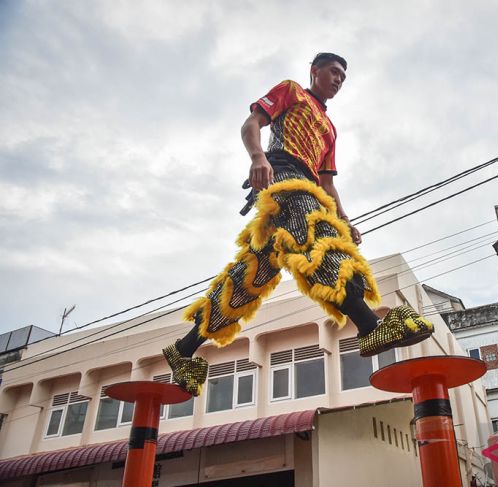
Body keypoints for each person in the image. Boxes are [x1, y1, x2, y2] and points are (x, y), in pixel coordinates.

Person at [163, 53, 434, 396]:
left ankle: (184, 349)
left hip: (307, 185)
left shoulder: (330, 130)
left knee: (250, 276)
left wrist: (344, 218)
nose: (338, 80)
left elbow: (327, 182)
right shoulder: (291, 91)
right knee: (318, 240)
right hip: (283, 177)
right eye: (334, 72)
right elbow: (251, 124)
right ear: (314, 71)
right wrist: (258, 158)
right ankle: (369, 326)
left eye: (343, 78)